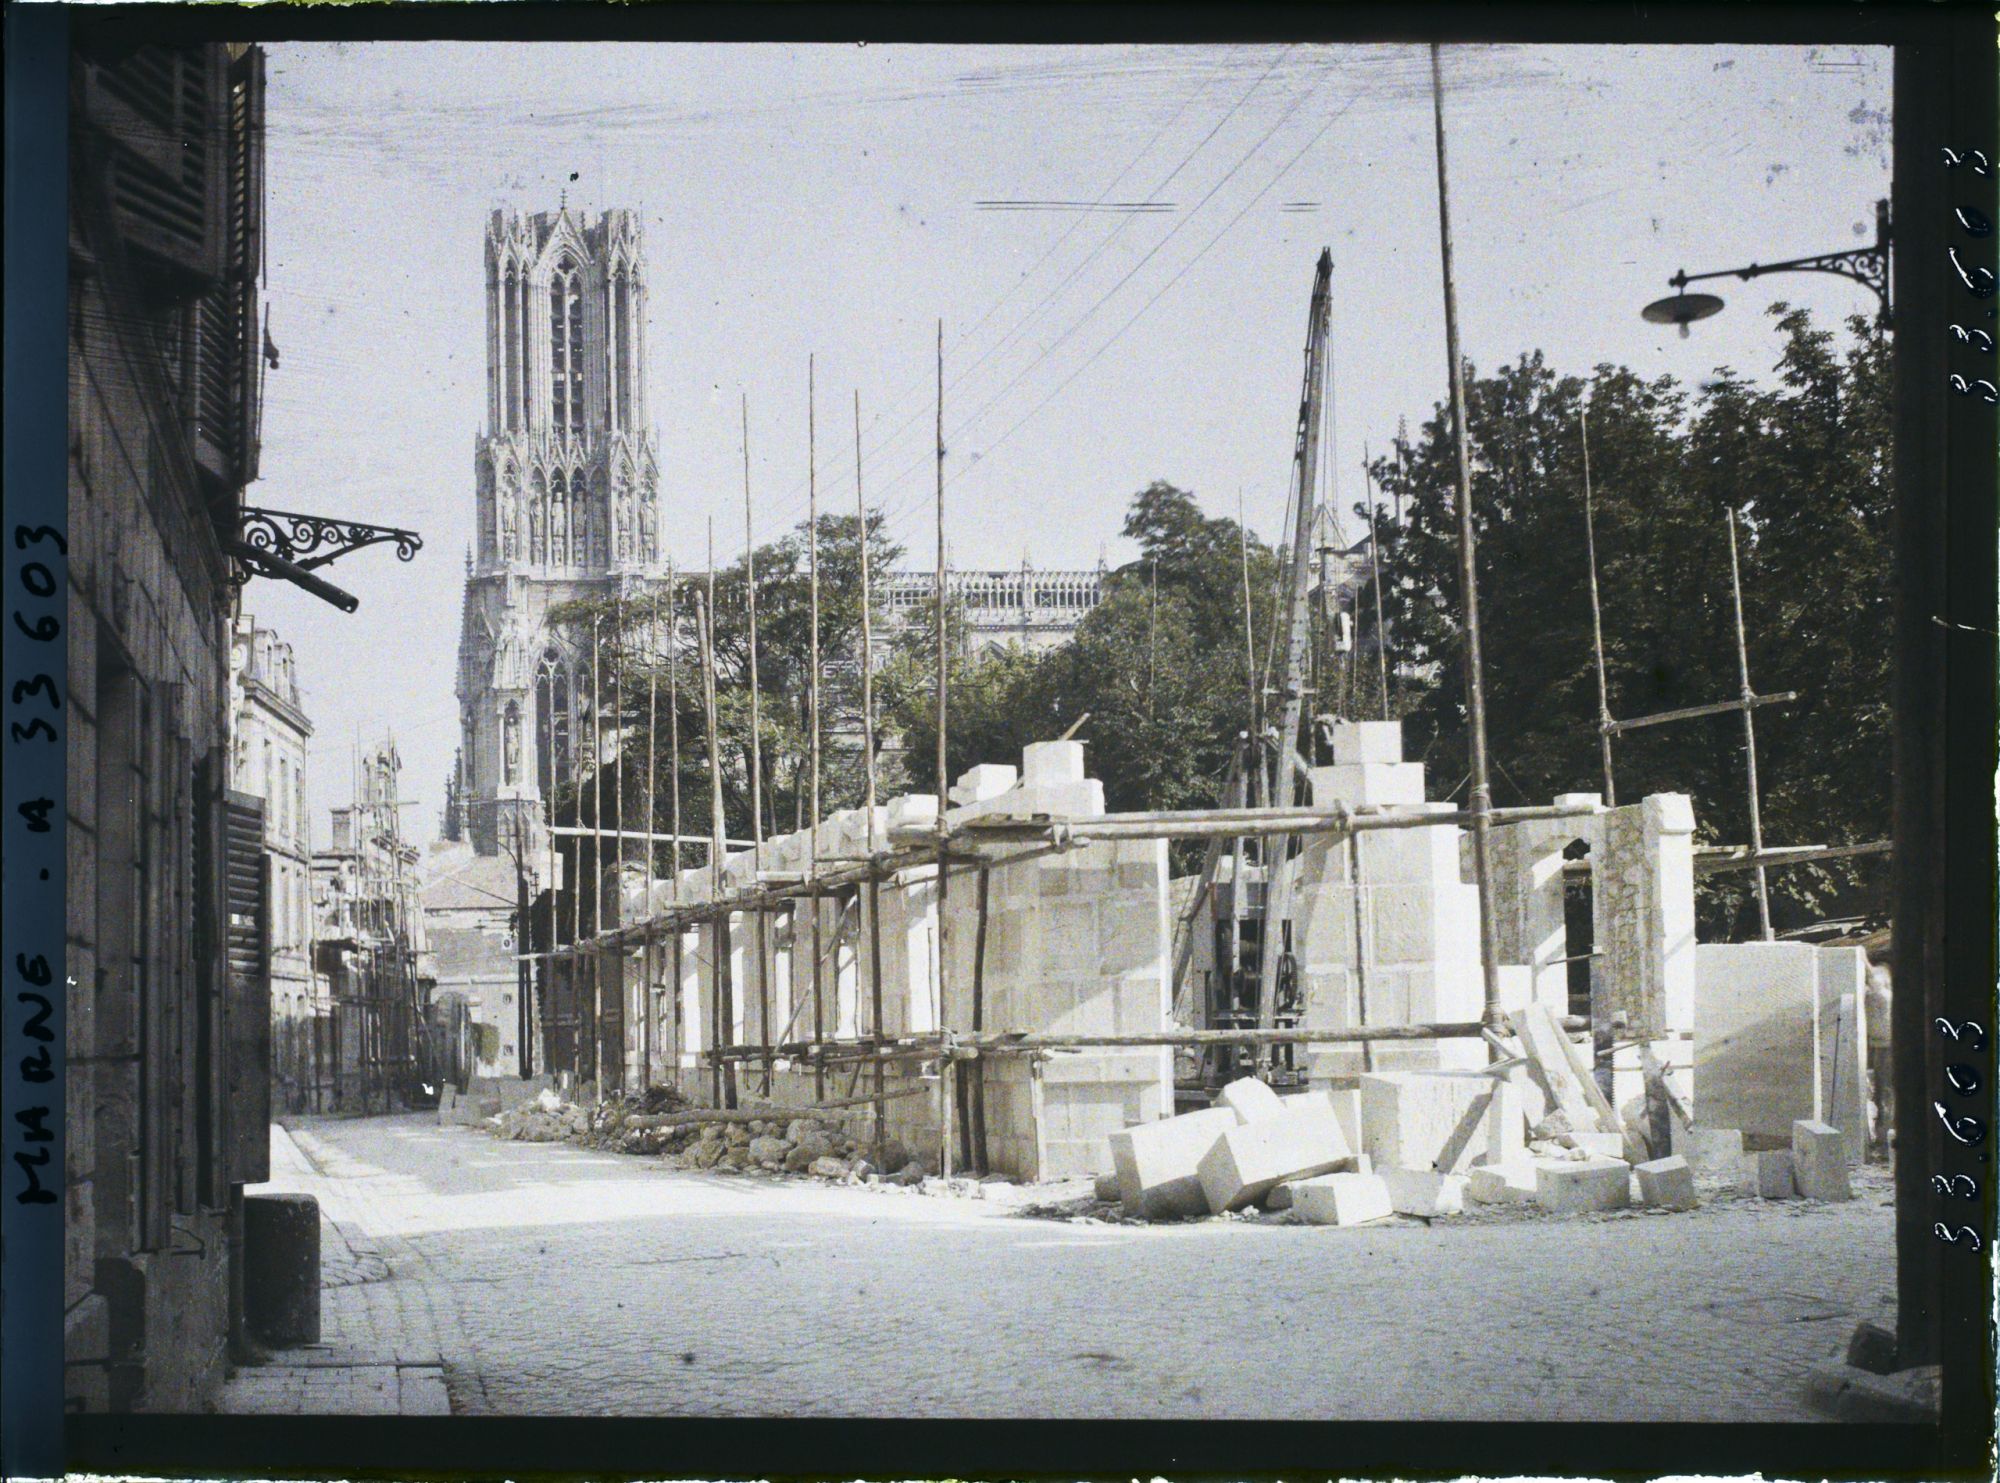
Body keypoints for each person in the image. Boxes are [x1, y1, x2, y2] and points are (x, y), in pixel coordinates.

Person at [1865, 956, 1893, 1159]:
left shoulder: (1883, 997)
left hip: (1888, 1047)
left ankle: (1886, 1143)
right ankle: (1883, 1141)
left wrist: (1863, 961)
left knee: (1885, 1094)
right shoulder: (1873, 996)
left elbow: (1874, 981)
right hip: (1879, 1047)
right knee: (1881, 1094)